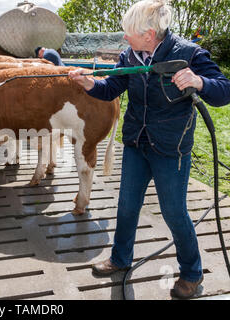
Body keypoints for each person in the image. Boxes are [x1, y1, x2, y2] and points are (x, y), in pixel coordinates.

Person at [69, 0, 230, 299]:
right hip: (136, 142)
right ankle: (120, 258)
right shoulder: (130, 54)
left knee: (173, 211)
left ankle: (192, 273)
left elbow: (224, 90)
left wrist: (199, 81)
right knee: (127, 205)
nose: (124, 37)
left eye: (128, 32)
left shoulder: (189, 54)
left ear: (149, 34)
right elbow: (112, 88)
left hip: (171, 146)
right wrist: (90, 84)